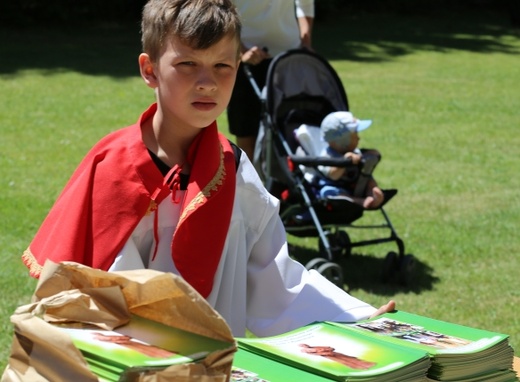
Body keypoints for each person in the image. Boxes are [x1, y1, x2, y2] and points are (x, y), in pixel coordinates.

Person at [21, 0, 394, 338]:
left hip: (213, 366)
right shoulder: (111, 169)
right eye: (188, 64)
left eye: (222, 66)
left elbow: (276, 282)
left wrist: (357, 321)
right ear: (149, 70)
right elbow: (89, 294)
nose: (208, 82)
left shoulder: (235, 172)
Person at [227, 0, 314, 161]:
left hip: (288, 57)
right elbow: (221, 9)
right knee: (246, 133)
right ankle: (250, 185)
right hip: (245, 62)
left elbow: (306, 4)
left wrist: (306, 43)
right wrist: (241, 50)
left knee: (293, 130)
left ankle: (284, 185)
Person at [318, 111, 385, 209]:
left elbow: (373, 154)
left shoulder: (355, 151)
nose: (359, 138)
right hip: (337, 188)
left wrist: (371, 155)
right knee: (327, 192)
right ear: (343, 140)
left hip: (357, 184)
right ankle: (360, 201)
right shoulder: (326, 156)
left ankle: (373, 195)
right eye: (355, 134)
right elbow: (333, 175)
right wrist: (345, 161)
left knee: (368, 179)